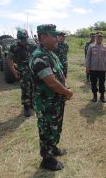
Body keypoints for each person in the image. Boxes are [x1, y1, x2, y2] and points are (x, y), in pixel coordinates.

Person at [29, 24, 73, 171]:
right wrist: (66, 92)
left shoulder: (50, 53)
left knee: (55, 128)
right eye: (53, 35)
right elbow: (51, 83)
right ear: (42, 37)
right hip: (46, 103)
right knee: (46, 130)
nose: (57, 38)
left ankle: (52, 149)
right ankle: (46, 159)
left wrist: (65, 89)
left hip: (55, 101)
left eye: (56, 35)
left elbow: (58, 76)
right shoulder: (39, 56)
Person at [8, 29, 37, 117]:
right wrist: (13, 71)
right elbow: (10, 59)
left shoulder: (33, 45)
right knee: (25, 88)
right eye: (21, 38)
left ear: (27, 37)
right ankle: (26, 107)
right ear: (18, 38)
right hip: (22, 69)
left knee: (33, 87)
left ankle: (32, 104)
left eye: (24, 38)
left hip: (33, 68)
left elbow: (38, 56)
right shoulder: (14, 46)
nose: (23, 40)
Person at [85, 31, 106, 103]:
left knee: (102, 83)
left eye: (100, 36)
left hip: (102, 69)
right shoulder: (91, 46)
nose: (99, 38)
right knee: (93, 83)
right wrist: (87, 67)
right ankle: (95, 96)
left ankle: (102, 96)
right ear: (96, 37)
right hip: (93, 68)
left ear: (102, 38)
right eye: (98, 36)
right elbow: (88, 57)